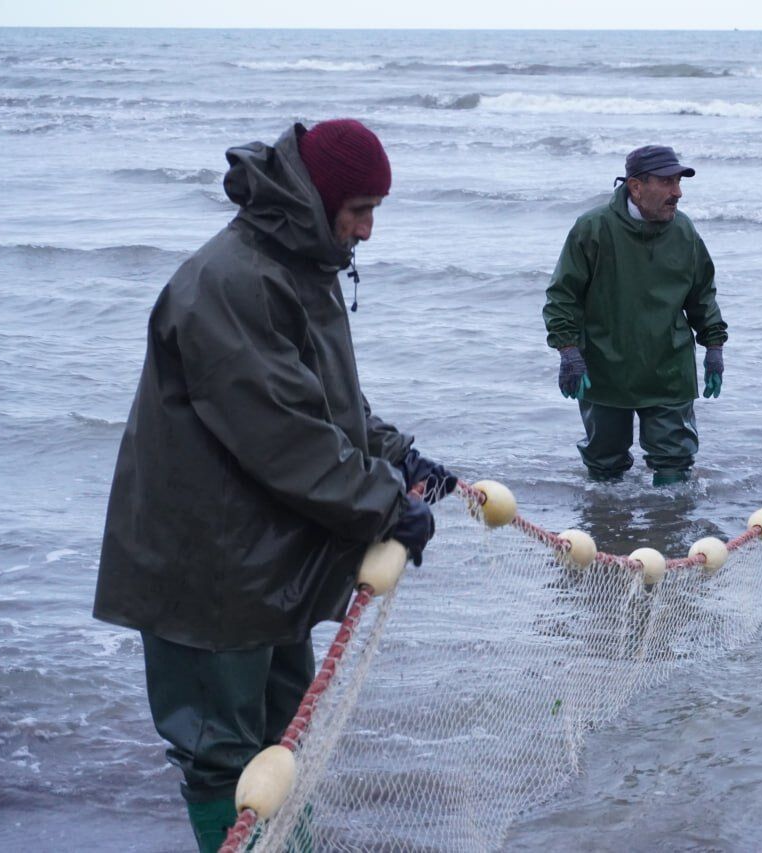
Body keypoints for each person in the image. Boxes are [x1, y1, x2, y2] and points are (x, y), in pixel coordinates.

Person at [93, 119, 456, 852]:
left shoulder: (298, 262)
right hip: (204, 571)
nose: (369, 230)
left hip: (264, 562)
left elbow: (324, 400)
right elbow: (284, 435)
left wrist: (399, 456)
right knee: (222, 754)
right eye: (360, 210)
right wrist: (384, 500)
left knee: (285, 736)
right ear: (318, 199)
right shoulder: (230, 281)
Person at [543, 145, 728, 486]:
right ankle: (605, 528)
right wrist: (568, 352)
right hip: (604, 367)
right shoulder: (592, 229)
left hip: (668, 367)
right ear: (636, 186)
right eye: (668, 182)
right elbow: (562, 296)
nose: (678, 192)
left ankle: (670, 529)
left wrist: (713, 346)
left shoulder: (684, 232)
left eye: (678, 182)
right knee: (603, 465)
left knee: (675, 461)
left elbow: (702, 294)